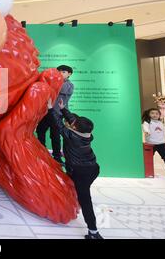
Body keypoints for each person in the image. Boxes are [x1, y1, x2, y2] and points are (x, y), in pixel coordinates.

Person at [48, 98, 103, 239]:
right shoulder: (87, 134)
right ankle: (73, 200)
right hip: (93, 169)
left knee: (85, 199)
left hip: (81, 171)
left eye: (73, 124)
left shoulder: (71, 136)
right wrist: (63, 108)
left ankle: (93, 232)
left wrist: (51, 109)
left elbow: (59, 125)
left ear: (75, 128)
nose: (72, 122)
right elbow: (72, 119)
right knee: (75, 189)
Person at [37, 65, 74, 164]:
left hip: (57, 114)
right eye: (59, 72)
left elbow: (59, 88)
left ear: (69, 74)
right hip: (46, 112)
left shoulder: (69, 85)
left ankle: (57, 156)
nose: (61, 74)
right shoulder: (53, 83)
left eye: (63, 72)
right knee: (40, 130)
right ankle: (41, 152)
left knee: (55, 135)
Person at [142, 108, 165, 181]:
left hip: (161, 144)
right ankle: (145, 171)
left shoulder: (160, 123)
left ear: (159, 115)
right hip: (151, 144)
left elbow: (162, 133)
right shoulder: (147, 122)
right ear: (148, 114)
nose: (154, 115)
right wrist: (147, 131)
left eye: (156, 113)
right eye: (152, 113)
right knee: (147, 159)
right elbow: (145, 127)